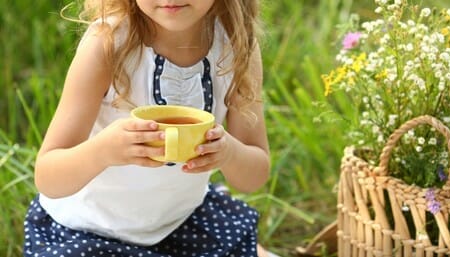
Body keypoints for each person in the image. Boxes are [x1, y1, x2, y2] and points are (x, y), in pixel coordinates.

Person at [23, 0, 275, 256]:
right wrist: (103, 151)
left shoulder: (235, 44)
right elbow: (48, 177)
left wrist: (229, 153)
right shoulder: (107, 44)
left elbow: (253, 177)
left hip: (180, 220)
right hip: (89, 231)